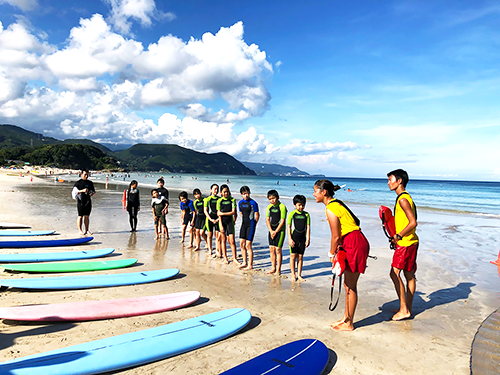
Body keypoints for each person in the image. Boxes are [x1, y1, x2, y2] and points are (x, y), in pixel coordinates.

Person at [313, 179, 370, 332]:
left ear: (323, 192)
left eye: (315, 191)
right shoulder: (336, 203)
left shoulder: (331, 208)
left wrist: (331, 254)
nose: (313, 194)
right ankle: (346, 318)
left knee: (350, 286)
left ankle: (349, 323)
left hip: (354, 243)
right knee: (347, 285)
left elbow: (335, 236)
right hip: (354, 241)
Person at [387, 169, 419, 321]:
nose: (388, 183)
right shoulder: (406, 197)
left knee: (394, 273)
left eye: (390, 179)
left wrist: (399, 235)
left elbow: (413, 222)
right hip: (411, 241)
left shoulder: (402, 199)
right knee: (409, 275)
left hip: (406, 243)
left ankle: (404, 309)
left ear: (399, 181)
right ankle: (407, 307)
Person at [287, 194, 310, 281]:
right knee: (293, 256)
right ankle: (293, 274)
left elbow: (308, 227)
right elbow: (289, 226)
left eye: (303, 205)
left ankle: (299, 275)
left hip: (302, 239)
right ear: (295, 205)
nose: (301, 207)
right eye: (299, 205)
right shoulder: (292, 214)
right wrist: (289, 239)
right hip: (294, 237)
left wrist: (308, 239)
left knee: (300, 257)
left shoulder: (306, 215)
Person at [266, 189, 287, 275]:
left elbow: (282, 221)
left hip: (280, 231)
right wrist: (271, 231)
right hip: (271, 230)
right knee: (271, 249)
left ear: (277, 197)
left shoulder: (282, 207)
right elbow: (267, 220)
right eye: (270, 199)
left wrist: (275, 231)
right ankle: (273, 268)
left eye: (273, 198)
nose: (272, 200)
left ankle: (278, 269)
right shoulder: (269, 207)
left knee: (278, 250)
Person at [238, 186, 259, 270]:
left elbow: (257, 215)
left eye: (247, 193)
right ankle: (244, 262)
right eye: (244, 194)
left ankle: (250, 265)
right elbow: (241, 213)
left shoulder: (253, 203)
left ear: (249, 193)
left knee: (248, 245)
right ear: (241, 194)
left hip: (251, 225)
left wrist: (254, 225)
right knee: (241, 244)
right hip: (243, 225)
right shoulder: (240, 203)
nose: (246, 195)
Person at [217, 184, 238, 264]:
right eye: (224, 192)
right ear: (221, 193)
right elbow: (218, 215)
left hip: (230, 222)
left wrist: (223, 214)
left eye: (227, 191)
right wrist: (221, 225)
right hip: (222, 222)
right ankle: (225, 257)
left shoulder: (232, 200)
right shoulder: (219, 201)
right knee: (223, 240)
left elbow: (233, 212)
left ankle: (234, 258)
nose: (226, 193)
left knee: (232, 241)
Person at [72, 169, 95, 235]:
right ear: (81, 174)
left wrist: (92, 193)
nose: (86, 176)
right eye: (85, 174)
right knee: (80, 216)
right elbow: (74, 192)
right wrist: (82, 191)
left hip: (88, 201)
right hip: (81, 201)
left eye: (87, 175)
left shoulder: (90, 183)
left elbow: (93, 191)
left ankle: (87, 230)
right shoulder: (78, 183)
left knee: (87, 216)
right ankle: (80, 230)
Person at [204, 184, 221, 257]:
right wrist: (211, 219)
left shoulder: (219, 199)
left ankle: (217, 250)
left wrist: (217, 219)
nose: (216, 191)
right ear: (211, 190)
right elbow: (205, 211)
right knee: (209, 235)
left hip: (218, 219)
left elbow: (221, 211)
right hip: (209, 219)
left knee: (218, 236)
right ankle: (210, 249)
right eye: (214, 189)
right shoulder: (207, 199)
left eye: (217, 189)